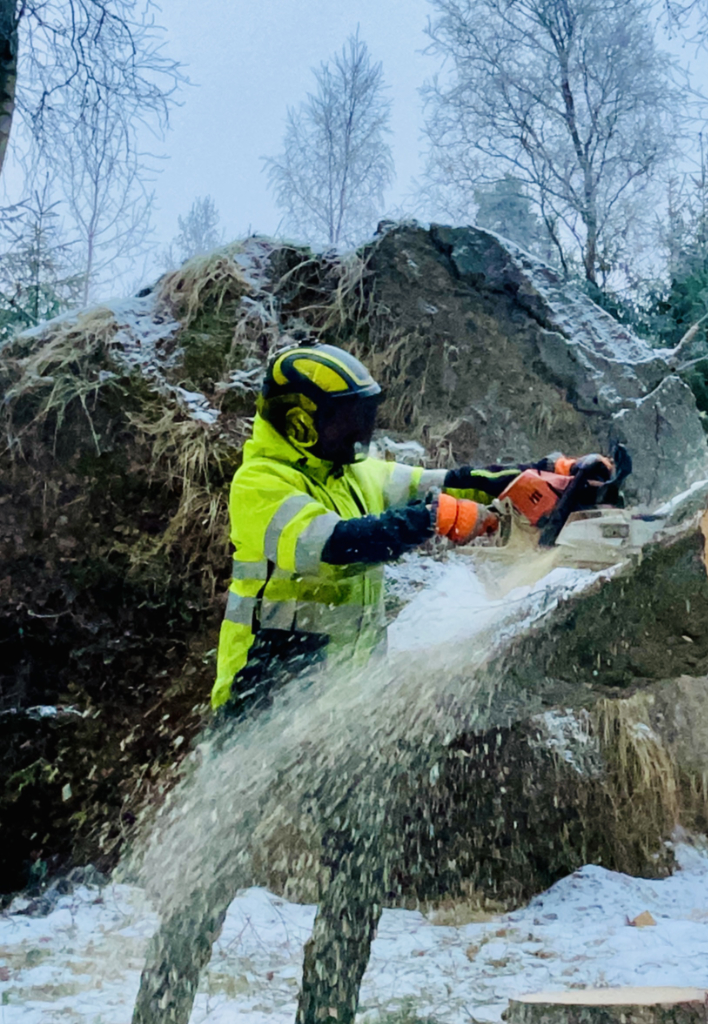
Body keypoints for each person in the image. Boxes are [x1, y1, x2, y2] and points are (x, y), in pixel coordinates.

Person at [132, 342, 611, 1024]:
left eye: (364, 418)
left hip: (347, 713)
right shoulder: (261, 483)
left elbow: (443, 478)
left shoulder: (354, 470)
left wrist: (533, 476)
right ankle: (158, 1013)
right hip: (259, 709)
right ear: (302, 420)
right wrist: (431, 522)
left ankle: (328, 1014)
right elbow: (335, 542)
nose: (359, 434)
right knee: (205, 885)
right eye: (345, 420)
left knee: (358, 875)